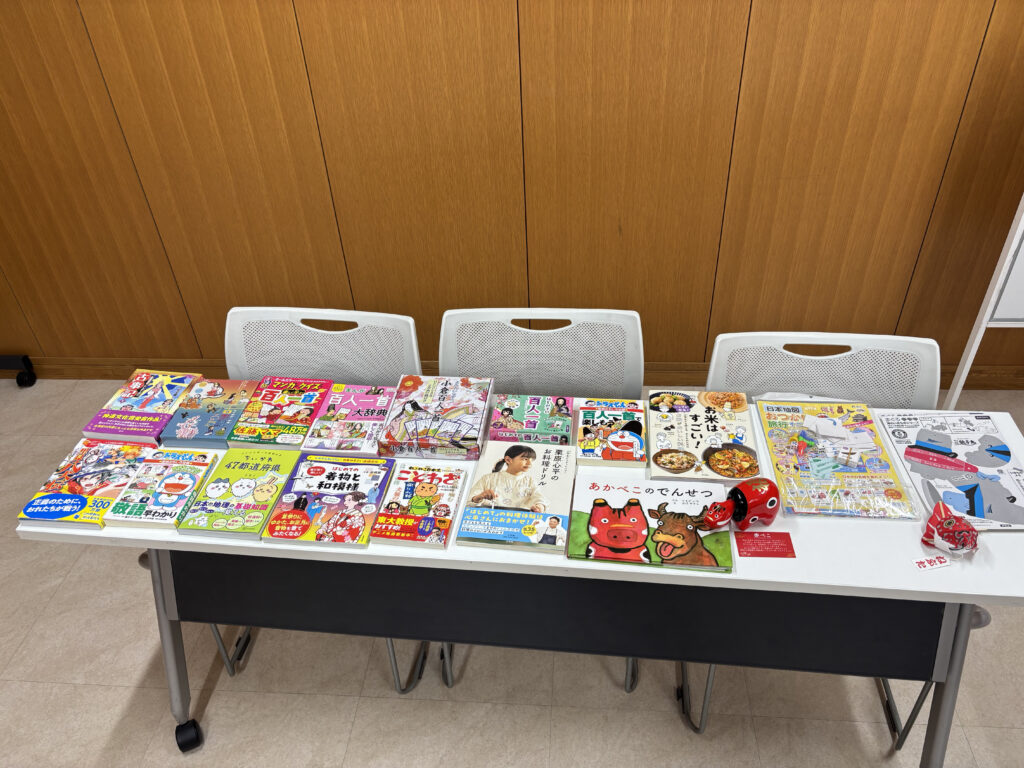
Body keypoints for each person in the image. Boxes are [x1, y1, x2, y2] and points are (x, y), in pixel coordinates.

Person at [468, 445, 547, 513]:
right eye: (525, 459)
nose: (530, 463)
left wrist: (540, 506)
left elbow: (539, 498)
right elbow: (468, 501)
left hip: (518, 520)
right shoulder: (488, 478)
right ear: (508, 460)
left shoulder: (530, 481)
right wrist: (480, 496)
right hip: (491, 518)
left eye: (532, 460)